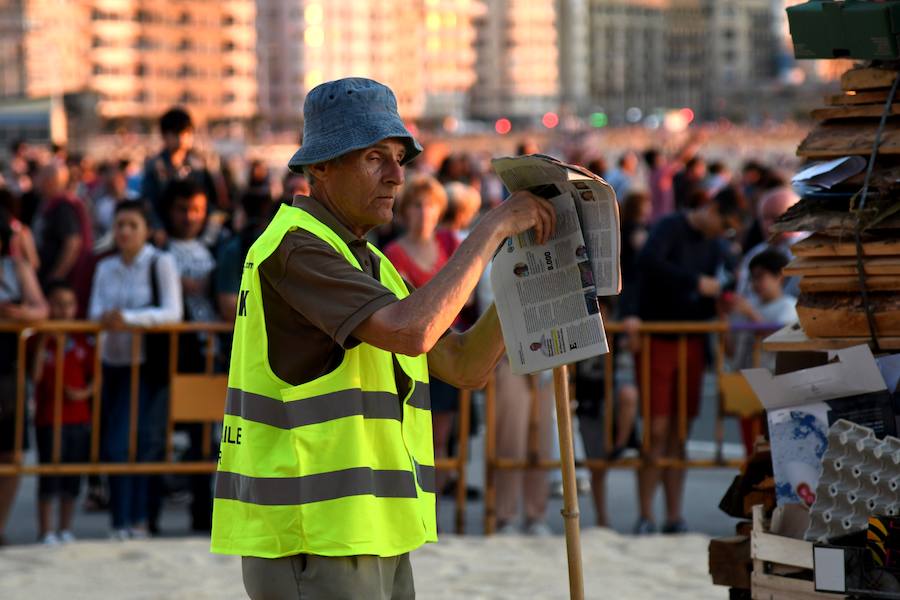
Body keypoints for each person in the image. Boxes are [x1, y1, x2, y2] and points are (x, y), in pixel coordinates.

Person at [210, 77, 556, 600]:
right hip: (314, 534)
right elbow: (413, 331)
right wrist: (493, 229)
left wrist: (529, 275)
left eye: (399, 157)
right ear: (320, 168)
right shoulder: (295, 247)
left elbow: (466, 366)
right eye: (375, 157)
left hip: (368, 529)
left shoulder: (367, 262)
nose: (397, 175)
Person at [631, 186, 745, 535]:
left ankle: (673, 514)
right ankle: (646, 513)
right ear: (710, 207)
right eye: (723, 224)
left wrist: (719, 299)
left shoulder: (714, 246)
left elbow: (712, 289)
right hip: (658, 339)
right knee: (657, 430)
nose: (721, 233)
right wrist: (696, 282)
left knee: (679, 432)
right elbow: (647, 265)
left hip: (692, 341)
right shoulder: (669, 226)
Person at [88, 200, 182, 540]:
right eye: (120, 225)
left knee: (139, 443)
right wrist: (108, 318)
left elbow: (172, 312)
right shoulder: (105, 267)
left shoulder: (161, 262)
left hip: (146, 365)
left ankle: (139, 519)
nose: (124, 231)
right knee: (115, 445)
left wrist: (128, 319)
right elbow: (93, 310)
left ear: (146, 230)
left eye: (132, 225)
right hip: (112, 363)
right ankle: (120, 521)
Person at [384, 176, 462, 497]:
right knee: (410, 431)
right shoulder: (393, 253)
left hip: (446, 346)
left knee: (442, 435)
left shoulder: (449, 244)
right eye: (417, 204)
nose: (424, 212)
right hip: (411, 352)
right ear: (406, 210)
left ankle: (437, 502)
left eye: (430, 204)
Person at [31, 280, 94, 545]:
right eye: (58, 304)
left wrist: (83, 394)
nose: (63, 310)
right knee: (49, 477)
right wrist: (45, 337)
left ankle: (65, 528)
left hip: (78, 417)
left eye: (68, 304)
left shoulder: (81, 336)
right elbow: (33, 377)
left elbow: (95, 376)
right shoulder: (37, 337)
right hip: (48, 418)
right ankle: (46, 531)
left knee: (72, 477)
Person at [0, 208, 49, 546]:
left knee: (11, 452)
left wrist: (21, 314)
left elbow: (41, 309)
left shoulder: (15, 267)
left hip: (7, 370)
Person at [575, 300, 639, 527]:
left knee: (629, 395)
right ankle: (602, 518)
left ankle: (620, 446)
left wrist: (631, 333)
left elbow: (636, 347)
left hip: (613, 401)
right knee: (597, 468)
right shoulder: (578, 335)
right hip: (590, 404)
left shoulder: (618, 335)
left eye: (604, 313)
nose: (600, 318)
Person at [140, 107, 219, 231]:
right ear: (164, 135)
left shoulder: (198, 165)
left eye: (186, 133)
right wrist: (158, 228)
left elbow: (210, 199)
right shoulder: (155, 166)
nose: (182, 138)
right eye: (176, 133)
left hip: (196, 229)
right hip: (165, 231)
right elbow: (149, 203)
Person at [736, 187, 801, 300]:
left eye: (776, 217)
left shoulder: (808, 254)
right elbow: (742, 293)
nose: (768, 225)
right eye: (764, 218)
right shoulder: (755, 253)